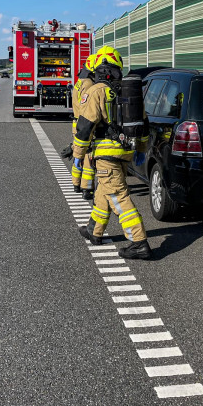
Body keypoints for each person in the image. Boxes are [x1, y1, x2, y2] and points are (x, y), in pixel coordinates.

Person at [73, 45, 152, 260]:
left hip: (105, 154)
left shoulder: (96, 91)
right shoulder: (129, 91)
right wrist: (141, 149)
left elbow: (85, 127)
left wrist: (78, 155)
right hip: (125, 152)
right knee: (104, 191)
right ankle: (94, 230)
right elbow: (144, 124)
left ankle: (139, 242)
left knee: (118, 196)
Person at [71, 54, 97, 200]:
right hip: (84, 123)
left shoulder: (80, 81)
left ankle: (76, 183)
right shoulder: (89, 84)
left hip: (76, 123)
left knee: (78, 153)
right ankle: (87, 188)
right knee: (88, 156)